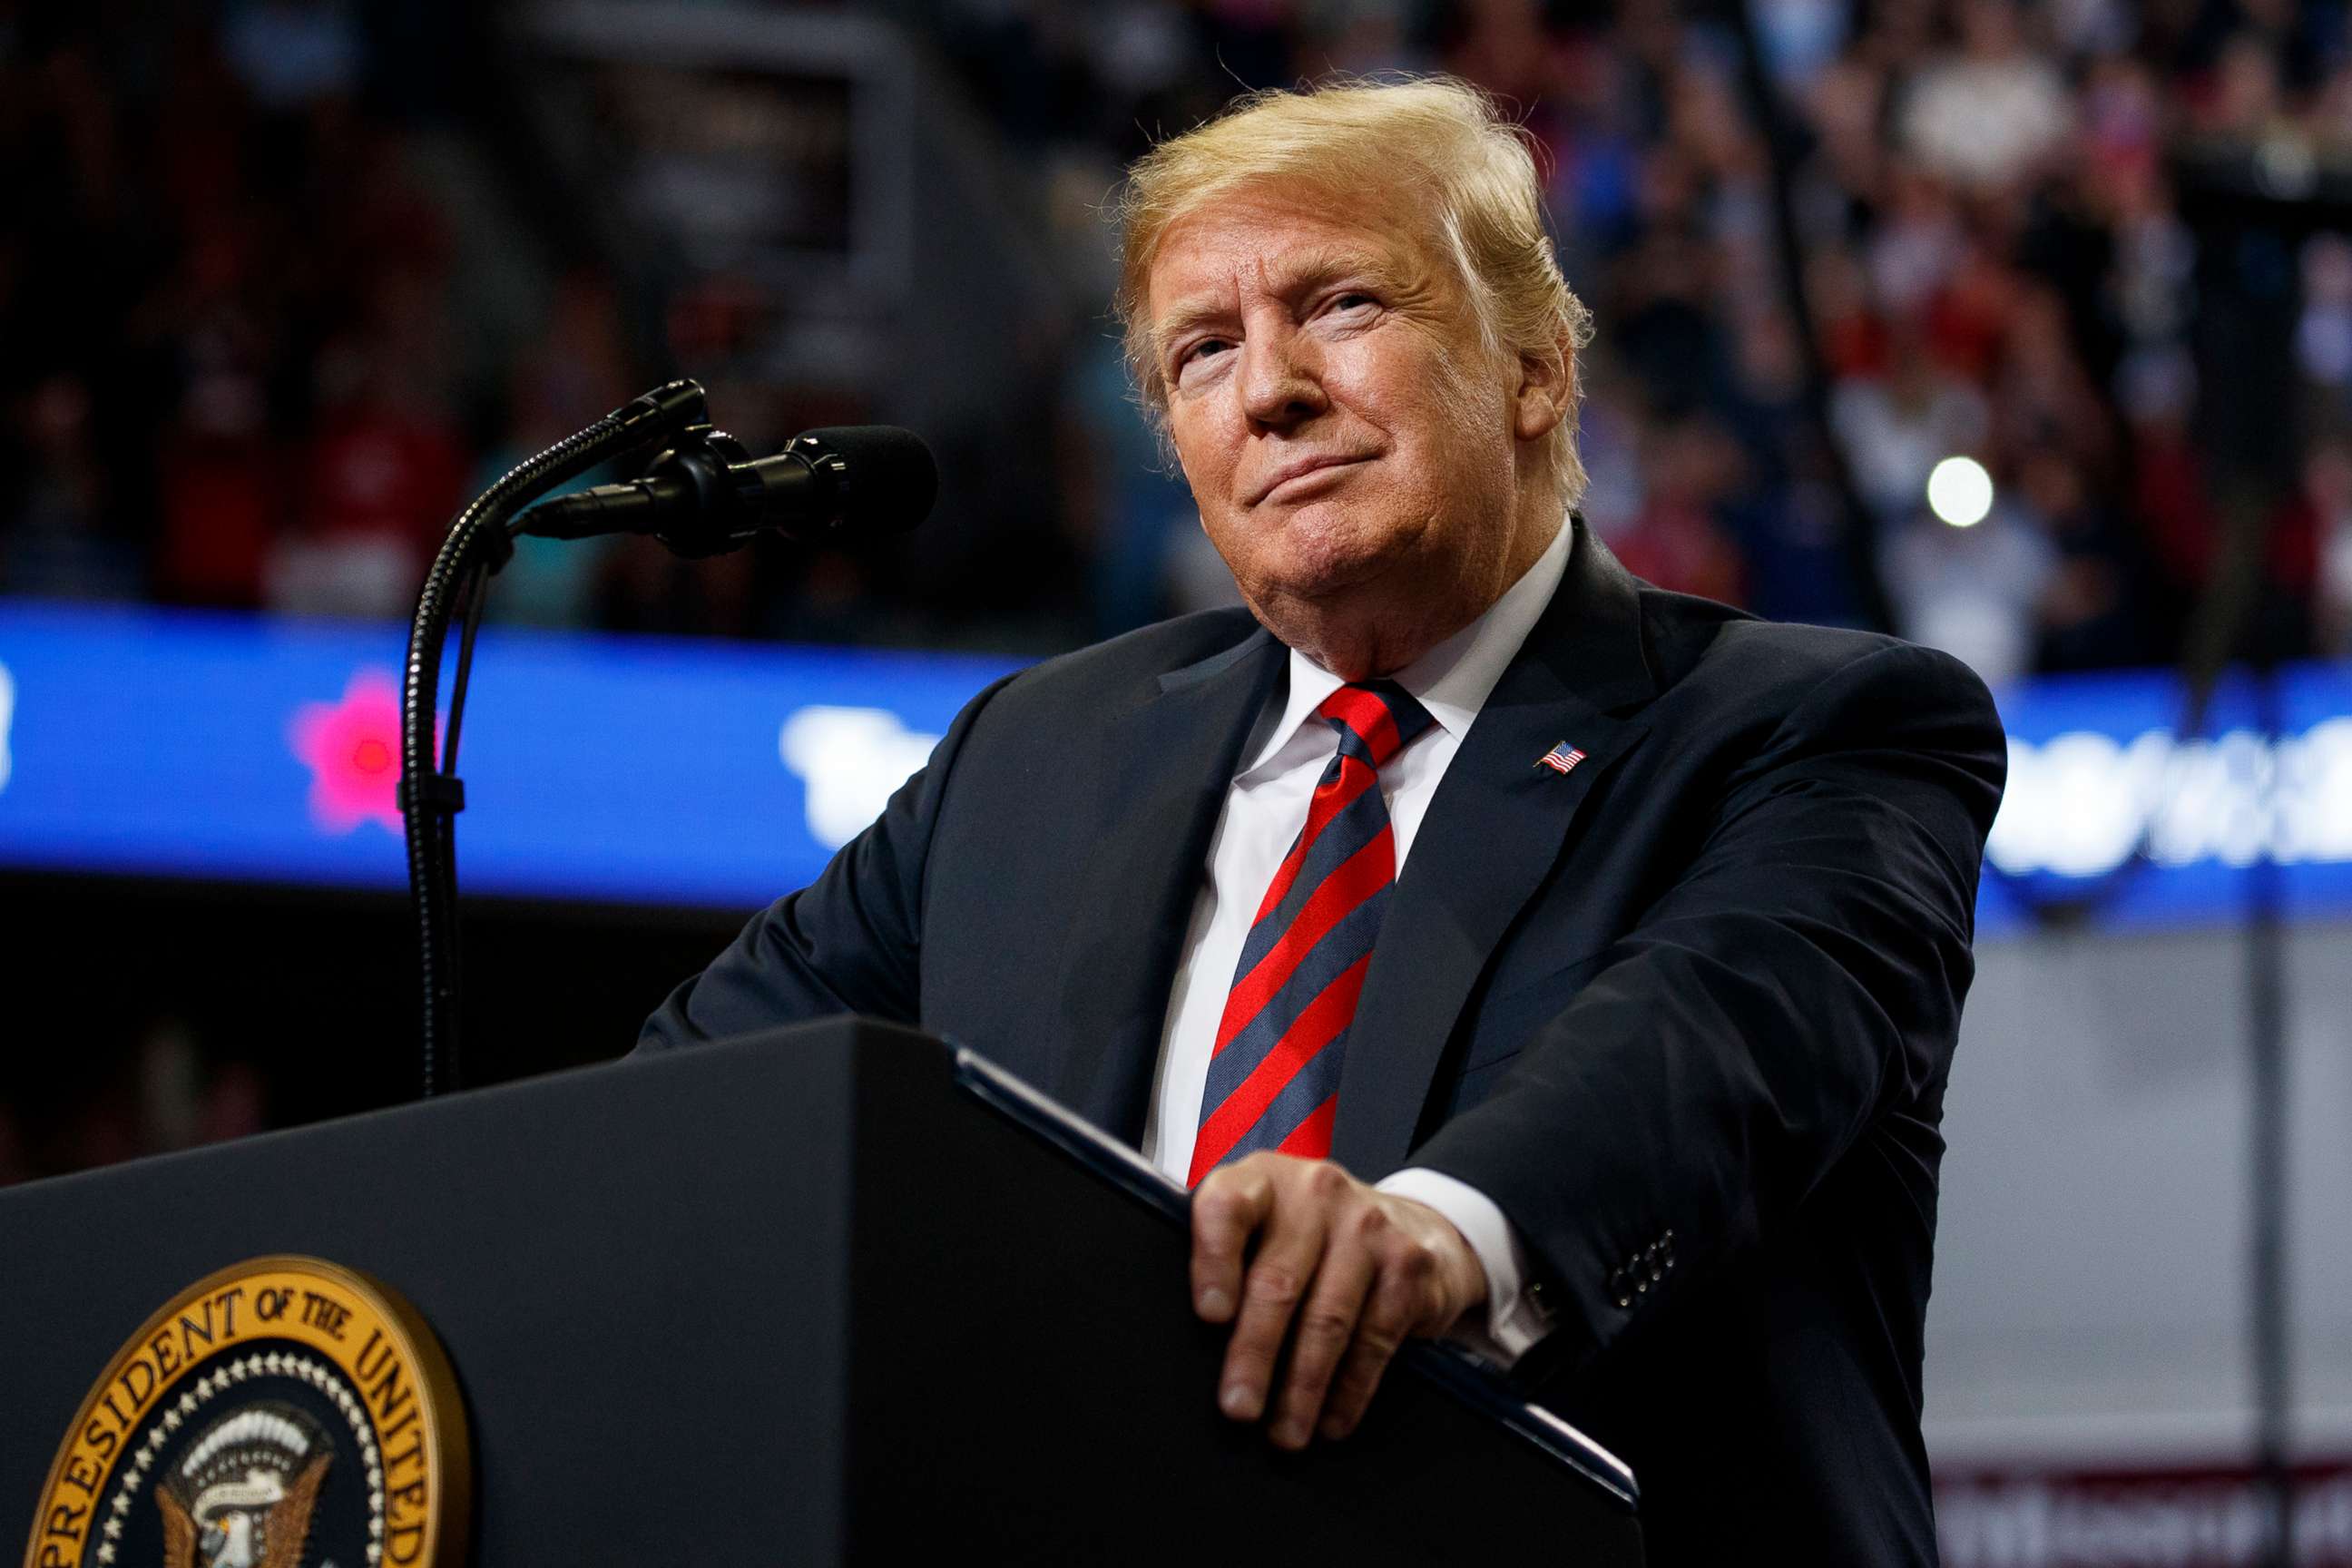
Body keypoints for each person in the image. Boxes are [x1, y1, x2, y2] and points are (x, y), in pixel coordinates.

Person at [638, 76, 2004, 1564]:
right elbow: (687, 1113)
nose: (1267, 388)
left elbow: (1707, 1051)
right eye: (1203, 351)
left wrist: (1436, 1233)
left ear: (1536, 365)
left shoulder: (1822, 729)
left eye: (1341, 304)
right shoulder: (1029, 759)